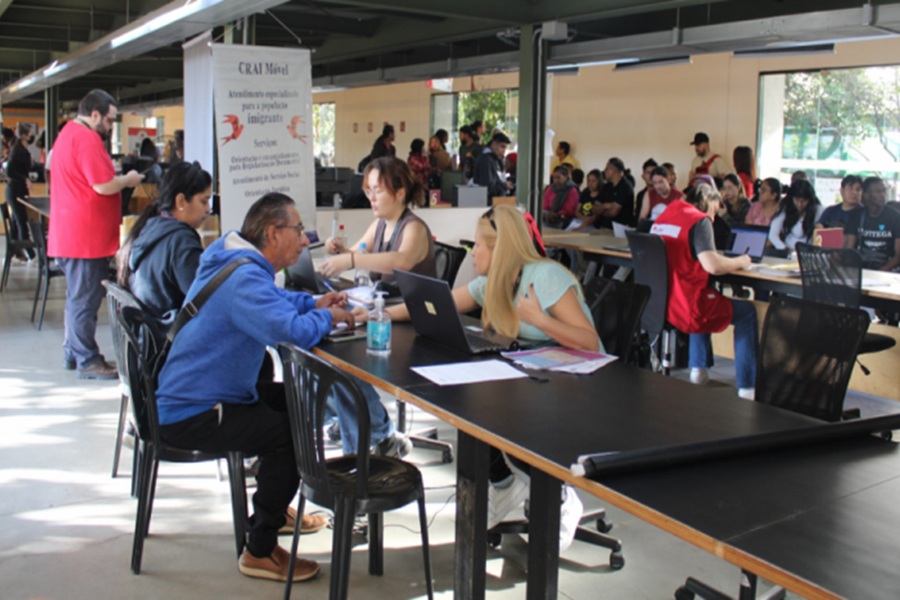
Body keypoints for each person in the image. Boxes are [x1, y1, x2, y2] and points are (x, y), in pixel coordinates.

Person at [155, 193, 355, 582]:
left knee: (297, 404)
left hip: (207, 394)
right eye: (297, 230)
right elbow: (290, 331)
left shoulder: (232, 257)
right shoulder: (245, 276)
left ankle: (274, 505)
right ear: (272, 233)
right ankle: (259, 549)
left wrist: (314, 303)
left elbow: (275, 301)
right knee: (289, 433)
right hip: (193, 412)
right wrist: (329, 317)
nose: (302, 239)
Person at [374, 204, 599, 551]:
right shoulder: (492, 282)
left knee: (502, 409)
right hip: (530, 375)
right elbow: (439, 304)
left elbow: (590, 343)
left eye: (478, 245)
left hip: (572, 385)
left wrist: (538, 318)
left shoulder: (545, 276)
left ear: (500, 249)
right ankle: (505, 481)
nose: (472, 252)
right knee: (470, 401)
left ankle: (561, 496)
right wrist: (375, 313)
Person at [49, 89, 144, 380]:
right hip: (83, 239)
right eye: (110, 120)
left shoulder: (68, 134)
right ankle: (88, 360)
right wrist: (128, 180)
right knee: (85, 301)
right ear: (94, 115)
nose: (110, 127)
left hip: (72, 234)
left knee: (78, 298)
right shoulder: (87, 138)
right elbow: (102, 185)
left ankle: (73, 352)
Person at [651, 183, 757, 400]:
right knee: (747, 313)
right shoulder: (699, 221)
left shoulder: (666, 215)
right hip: (687, 308)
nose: (714, 217)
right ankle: (748, 388)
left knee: (708, 293)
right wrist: (741, 261)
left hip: (661, 304)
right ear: (709, 202)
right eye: (715, 211)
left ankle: (698, 369)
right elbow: (713, 266)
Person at [117, 162, 211, 322]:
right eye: (203, 201)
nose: (208, 209)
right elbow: (203, 299)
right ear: (181, 201)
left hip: (150, 332)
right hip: (169, 339)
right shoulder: (181, 241)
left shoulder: (151, 227)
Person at [321, 156, 436, 284]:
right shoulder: (379, 225)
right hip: (386, 301)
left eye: (378, 191)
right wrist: (337, 249)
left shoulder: (414, 227)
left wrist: (351, 260)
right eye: (369, 191)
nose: (372, 198)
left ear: (400, 194)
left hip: (412, 303)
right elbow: (353, 253)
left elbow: (403, 261)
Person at [844, 176, 900, 271]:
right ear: (866, 195)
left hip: (887, 268)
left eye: (884, 191)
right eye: (878, 192)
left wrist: (882, 270)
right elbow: (849, 249)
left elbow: (899, 256)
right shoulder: (857, 216)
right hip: (861, 267)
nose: (883, 195)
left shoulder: (895, 217)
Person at [4, 123, 36, 261]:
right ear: (24, 135)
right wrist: (25, 179)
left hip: (17, 190)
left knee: (17, 222)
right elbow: (9, 171)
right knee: (22, 221)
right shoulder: (17, 149)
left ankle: (14, 252)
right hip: (15, 190)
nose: (32, 135)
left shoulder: (21, 148)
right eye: (30, 133)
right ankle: (31, 254)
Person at [768, 179, 824, 255]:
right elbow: (772, 234)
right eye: (797, 200)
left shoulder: (818, 210)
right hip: (789, 252)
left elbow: (822, 237)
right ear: (791, 198)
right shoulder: (786, 208)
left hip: (809, 254)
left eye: (804, 201)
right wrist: (784, 249)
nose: (800, 204)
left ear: (810, 200)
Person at [593, 157, 635, 228]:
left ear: (613, 170)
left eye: (606, 169)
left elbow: (613, 212)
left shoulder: (625, 187)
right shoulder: (607, 186)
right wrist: (605, 206)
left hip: (618, 229)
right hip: (603, 226)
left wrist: (601, 209)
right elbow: (594, 209)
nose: (604, 171)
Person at [472, 132, 512, 200]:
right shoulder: (486, 160)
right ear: (493, 144)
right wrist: (504, 185)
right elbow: (487, 185)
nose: (504, 151)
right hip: (488, 202)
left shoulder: (496, 159)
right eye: (502, 147)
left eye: (505, 148)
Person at [542, 165, 580, 229]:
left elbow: (569, 210)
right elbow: (545, 204)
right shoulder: (551, 188)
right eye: (554, 178)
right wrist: (548, 214)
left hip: (563, 219)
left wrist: (557, 215)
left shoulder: (572, 190)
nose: (556, 180)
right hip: (548, 216)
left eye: (558, 177)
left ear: (566, 177)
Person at [633, 158, 658, 224]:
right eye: (648, 173)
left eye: (653, 173)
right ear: (643, 176)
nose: (651, 176)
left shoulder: (662, 193)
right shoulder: (641, 195)